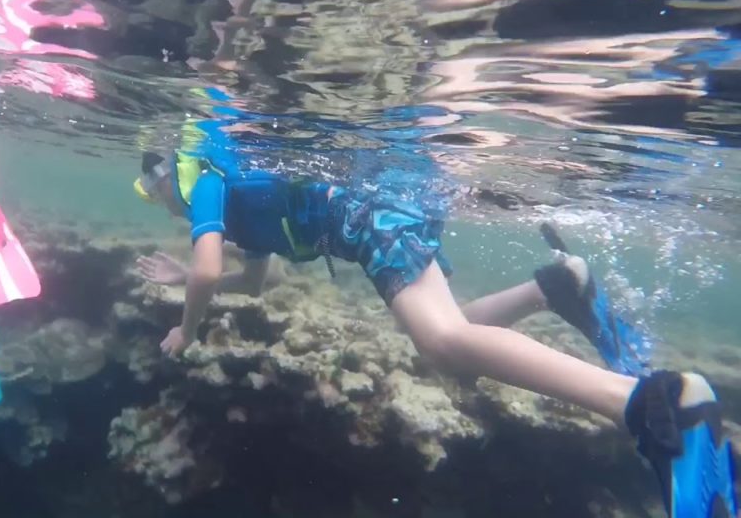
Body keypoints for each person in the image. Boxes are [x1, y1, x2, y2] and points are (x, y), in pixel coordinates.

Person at [132, 148, 738, 518]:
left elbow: (210, 270)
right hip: (380, 217)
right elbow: (245, 281)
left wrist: (187, 328)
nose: (153, 199)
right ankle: (555, 287)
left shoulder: (206, 181)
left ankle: (652, 405)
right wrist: (185, 275)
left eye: (148, 189)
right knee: (456, 340)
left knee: (441, 342)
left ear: (165, 178)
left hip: (370, 220)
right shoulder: (233, 204)